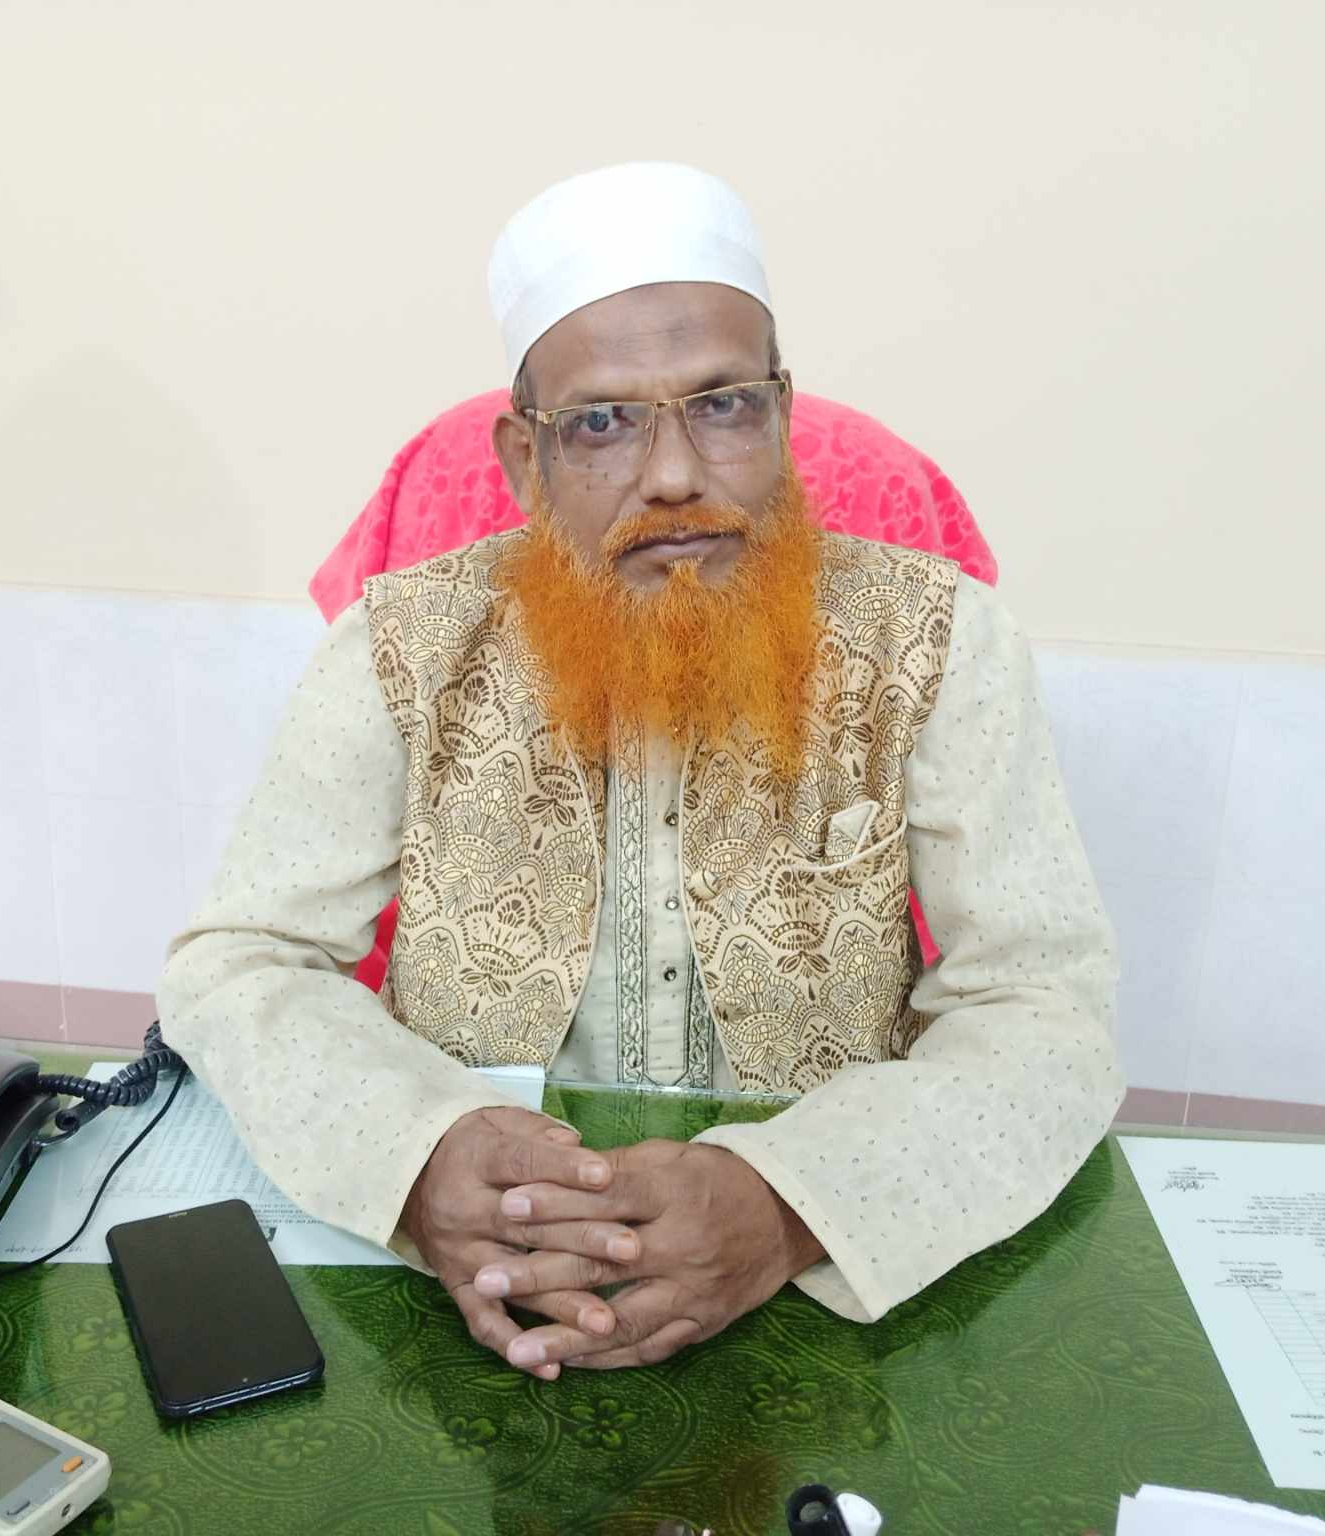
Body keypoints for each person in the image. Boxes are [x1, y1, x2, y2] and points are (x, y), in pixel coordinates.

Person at [159, 163, 1123, 1379]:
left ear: (780, 415)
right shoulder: (401, 646)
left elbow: (1042, 1004)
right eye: (602, 423)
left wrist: (789, 1203)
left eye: (720, 406)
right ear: (524, 458)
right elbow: (242, 959)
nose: (672, 474)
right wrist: (421, 1156)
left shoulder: (936, 639)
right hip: (470, 1277)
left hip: (822, 1291)